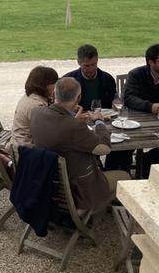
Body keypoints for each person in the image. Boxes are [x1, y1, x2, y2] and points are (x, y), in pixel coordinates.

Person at [30, 77, 130, 210]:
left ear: (54, 94)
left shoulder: (37, 113)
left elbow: (61, 130)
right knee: (125, 176)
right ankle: (111, 208)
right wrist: (99, 122)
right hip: (76, 191)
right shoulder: (74, 126)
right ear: (78, 98)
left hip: (49, 183)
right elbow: (104, 148)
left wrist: (71, 118)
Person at [8, 66, 58, 154]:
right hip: (26, 151)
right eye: (54, 83)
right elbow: (49, 134)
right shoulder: (37, 106)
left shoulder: (29, 96)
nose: (56, 86)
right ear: (45, 85)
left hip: (17, 143)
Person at [63, 44, 118, 111]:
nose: (91, 69)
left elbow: (115, 99)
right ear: (78, 62)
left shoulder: (108, 79)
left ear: (97, 60)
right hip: (77, 119)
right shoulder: (68, 80)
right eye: (87, 66)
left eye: (94, 64)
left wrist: (115, 103)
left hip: (103, 118)